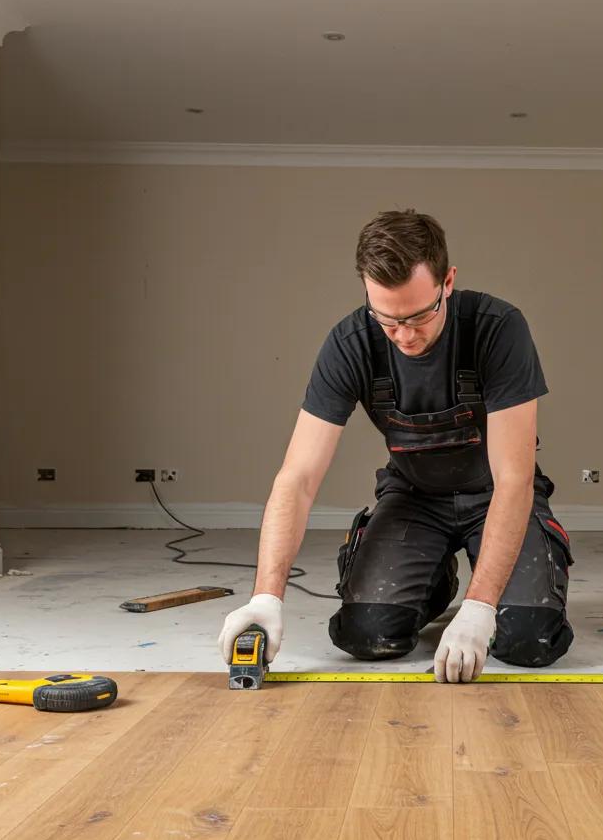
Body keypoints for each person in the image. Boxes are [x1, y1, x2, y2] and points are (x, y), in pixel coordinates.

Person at [218, 209, 574, 683]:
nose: (404, 335)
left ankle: (494, 591)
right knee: (366, 636)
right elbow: (298, 478)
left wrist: (480, 607)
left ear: (447, 281)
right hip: (414, 500)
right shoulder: (349, 343)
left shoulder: (498, 328)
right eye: (387, 319)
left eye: (419, 316)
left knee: (528, 639)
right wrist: (266, 596)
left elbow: (514, 478)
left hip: (496, 495)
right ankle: (436, 579)